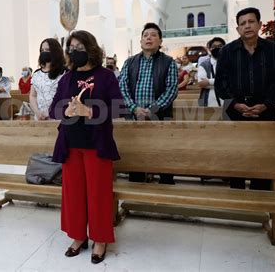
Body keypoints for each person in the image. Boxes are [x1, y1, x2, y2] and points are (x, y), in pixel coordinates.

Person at [49, 30, 123, 264]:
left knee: (98, 195)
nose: (74, 51)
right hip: (70, 144)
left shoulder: (105, 76)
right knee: (74, 195)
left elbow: (119, 108)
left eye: (79, 47)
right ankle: (78, 236)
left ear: (90, 49)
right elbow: (53, 109)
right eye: (71, 48)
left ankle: (100, 239)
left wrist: (89, 111)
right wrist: (66, 110)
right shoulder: (67, 78)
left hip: (96, 144)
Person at [215, 7, 275, 190]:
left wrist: (266, 104)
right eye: (242, 23)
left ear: (259, 24)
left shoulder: (274, 50)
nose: (247, 26)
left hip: (264, 108)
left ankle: (260, 192)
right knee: (236, 153)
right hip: (234, 109)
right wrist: (236, 104)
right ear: (238, 28)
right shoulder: (227, 52)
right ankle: (237, 192)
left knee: (262, 154)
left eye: (251, 21)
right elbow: (220, 82)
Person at [119, 22, 178, 184]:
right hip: (134, 116)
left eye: (153, 35)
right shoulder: (129, 62)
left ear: (160, 41)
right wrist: (134, 108)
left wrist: (152, 110)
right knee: (136, 153)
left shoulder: (169, 62)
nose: (148, 38)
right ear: (140, 41)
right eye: (145, 35)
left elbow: (171, 90)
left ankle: (165, 186)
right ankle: (136, 188)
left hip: (160, 116)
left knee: (162, 152)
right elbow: (122, 86)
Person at [30, 38, 66, 120]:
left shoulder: (64, 72)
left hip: (58, 117)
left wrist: (51, 112)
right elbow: (33, 95)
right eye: (42, 50)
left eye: (47, 50)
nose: (44, 52)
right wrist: (37, 112)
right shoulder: (36, 74)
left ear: (56, 51)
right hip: (40, 117)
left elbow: (66, 97)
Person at [198, 37, 226, 107]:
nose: (217, 48)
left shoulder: (230, 62)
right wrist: (222, 82)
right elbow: (201, 83)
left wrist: (209, 81)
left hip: (228, 102)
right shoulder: (204, 65)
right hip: (209, 102)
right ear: (210, 49)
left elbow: (232, 81)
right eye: (214, 47)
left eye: (220, 46)